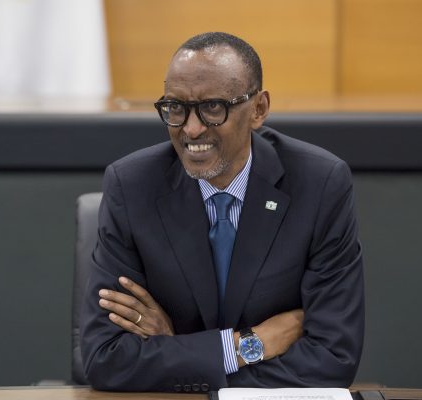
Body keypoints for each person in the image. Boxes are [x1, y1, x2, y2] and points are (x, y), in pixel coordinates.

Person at [80, 32, 364, 392]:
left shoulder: (319, 184)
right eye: (175, 107)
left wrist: (179, 352)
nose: (191, 128)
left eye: (213, 108)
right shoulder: (132, 186)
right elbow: (106, 359)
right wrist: (245, 346)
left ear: (258, 109)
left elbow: (332, 358)